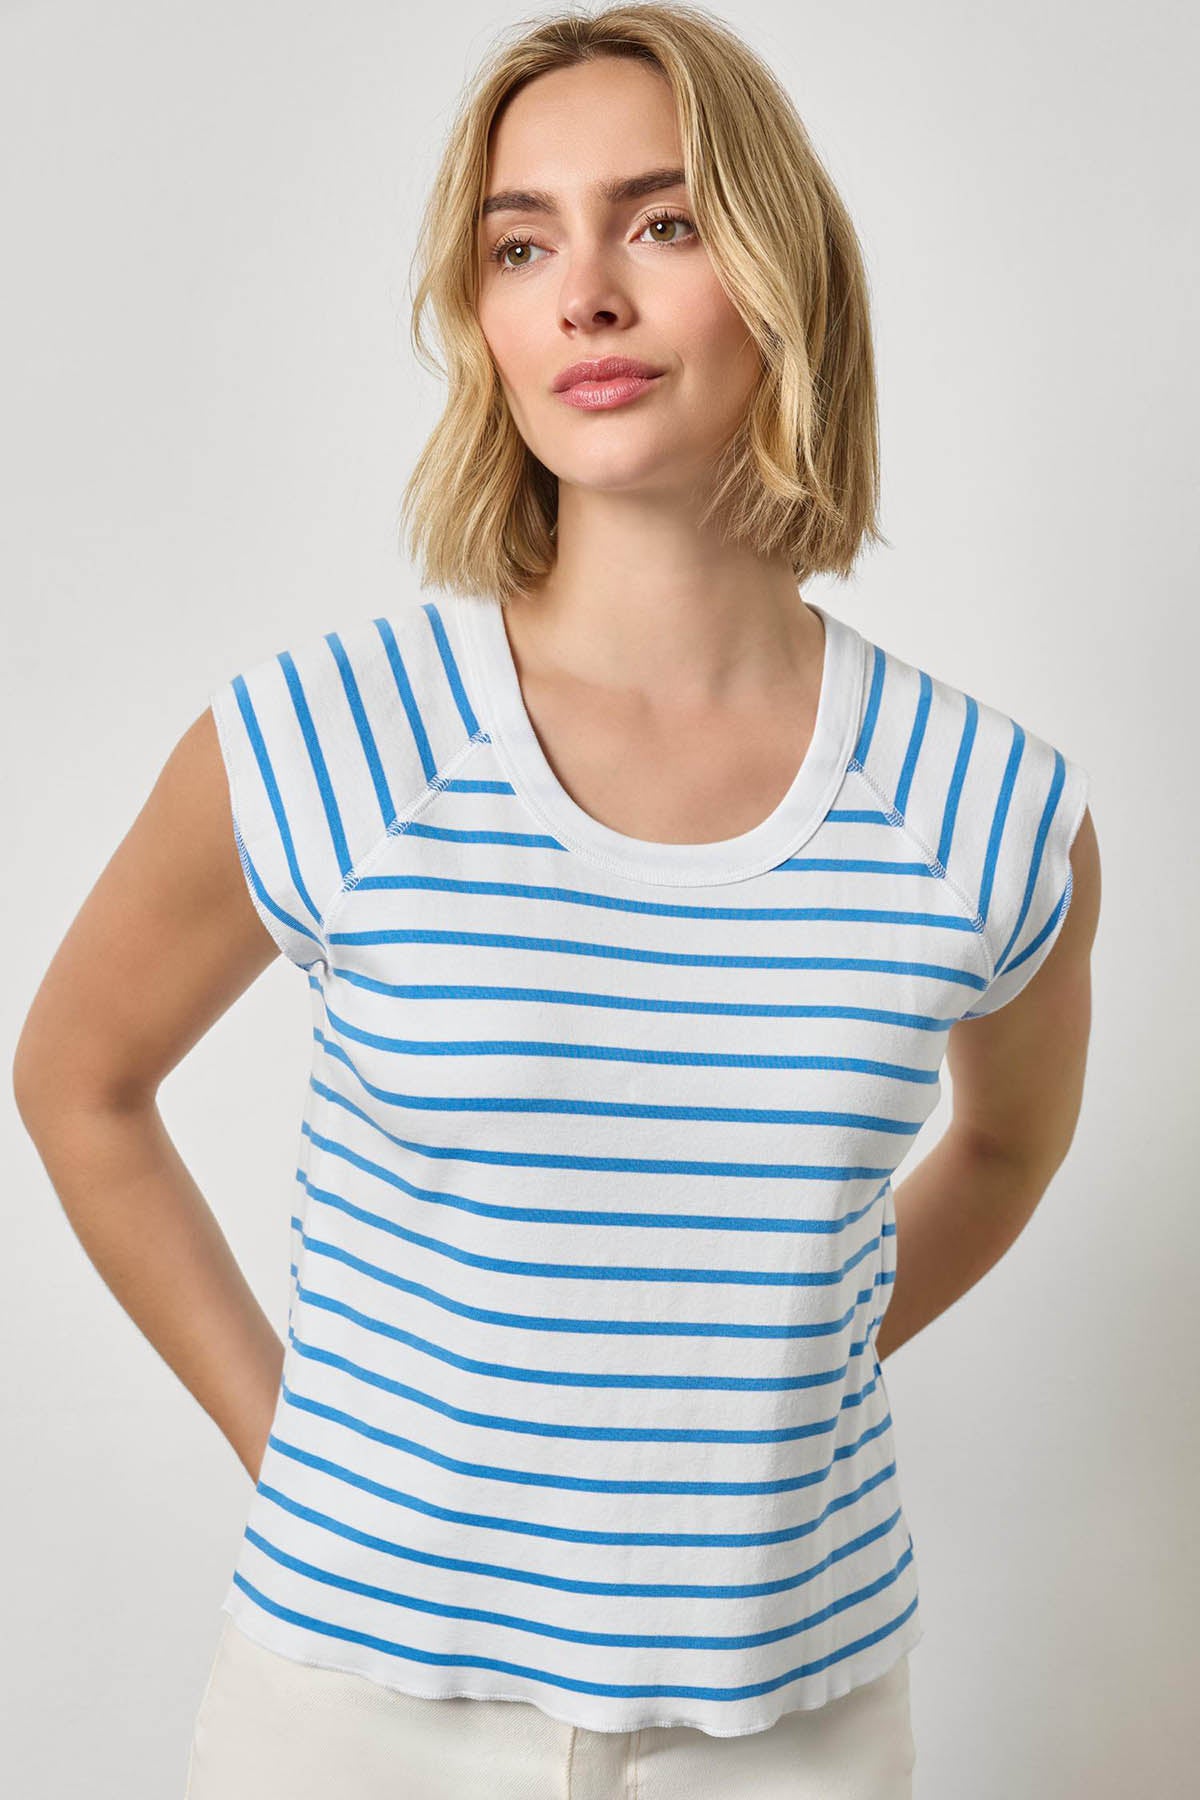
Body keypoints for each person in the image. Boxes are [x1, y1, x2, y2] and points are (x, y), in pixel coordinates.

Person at [12, 5, 1101, 1797]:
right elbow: (78, 1080)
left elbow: (1009, 1152)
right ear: (490, 320)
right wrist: (294, 1445)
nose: (583, 292)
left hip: (796, 1730)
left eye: (661, 224)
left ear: (788, 278)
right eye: (523, 243)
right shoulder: (325, 741)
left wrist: (771, 1363)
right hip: (353, 1715)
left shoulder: (988, 812)